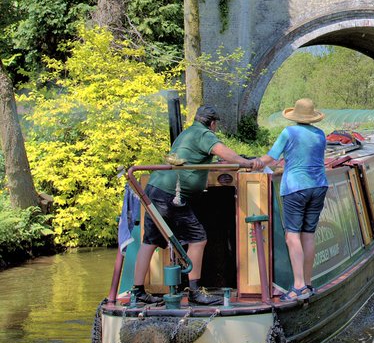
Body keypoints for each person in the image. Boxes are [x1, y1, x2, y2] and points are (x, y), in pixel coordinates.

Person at [130, 105, 258, 307]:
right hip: (173, 194)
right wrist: (249, 163)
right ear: (213, 123)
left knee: (150, 241)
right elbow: (227, 155)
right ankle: (194, 291)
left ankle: (137, 291)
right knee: (198, 239)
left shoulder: (186, 133)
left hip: (155, 189)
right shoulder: (204, 134)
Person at [256, 98, 328, 302]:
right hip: (319, 186)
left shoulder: (289, 132)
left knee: (292, 236)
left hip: (296, 187)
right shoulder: (320, 134)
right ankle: (308, 282)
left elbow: (271, 158)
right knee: (308, 235)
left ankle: (297, 286)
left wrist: (254, 163)